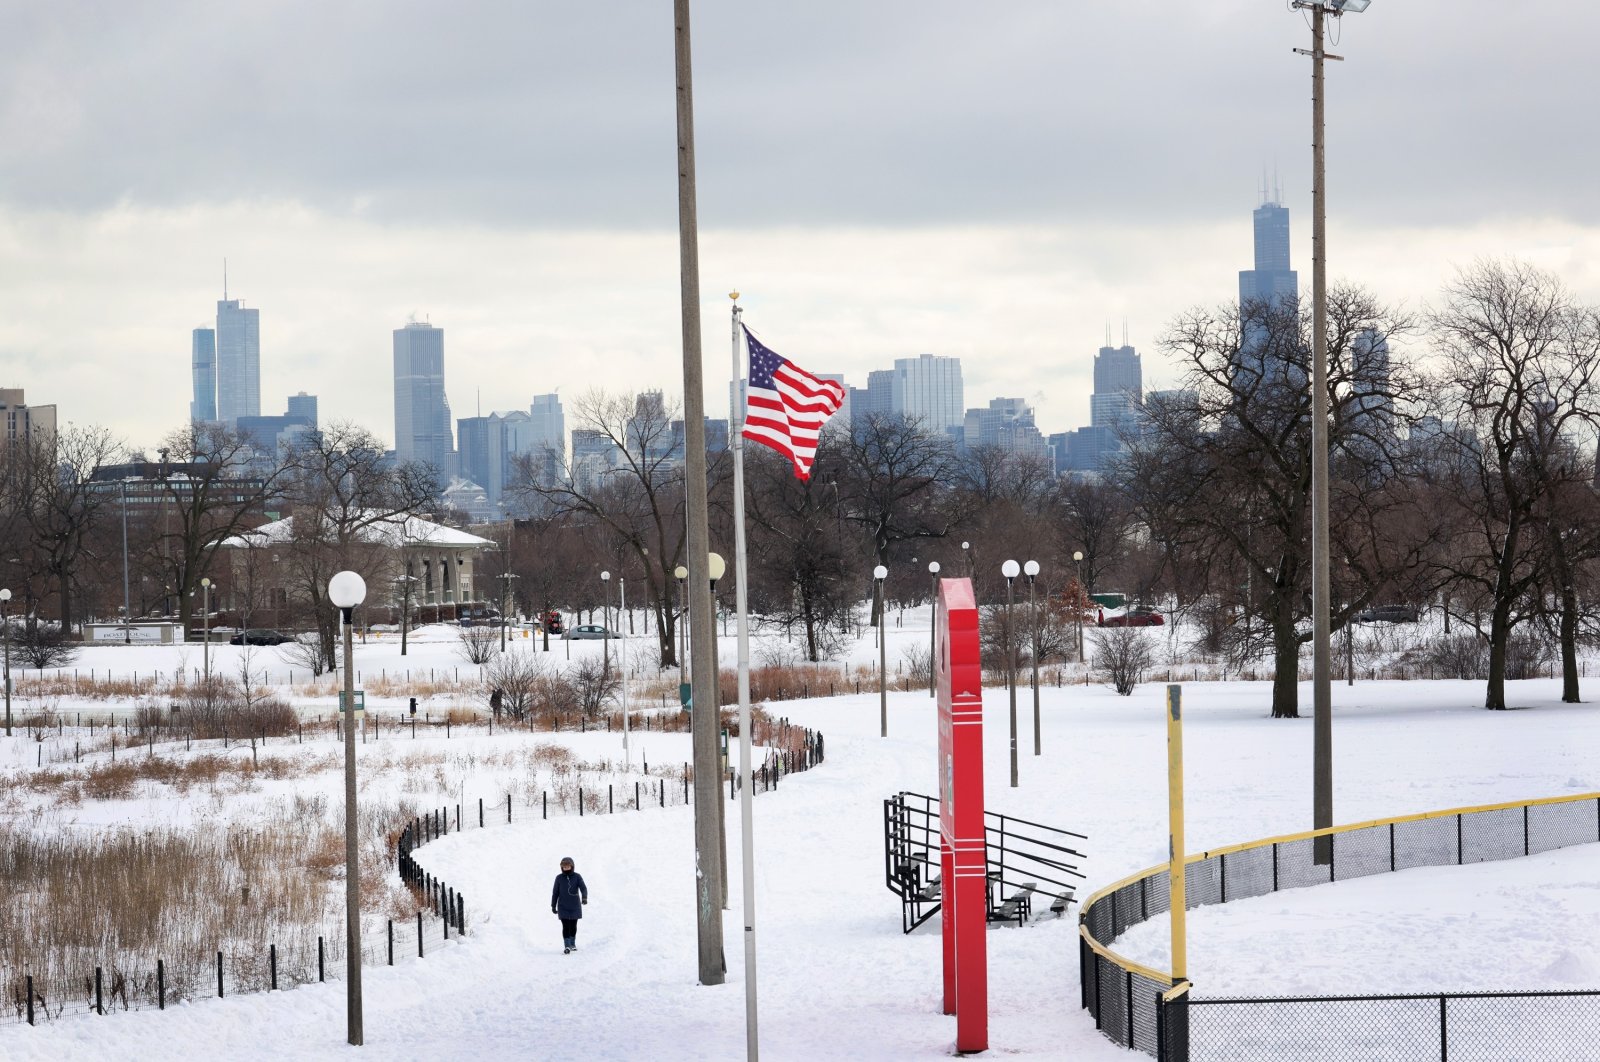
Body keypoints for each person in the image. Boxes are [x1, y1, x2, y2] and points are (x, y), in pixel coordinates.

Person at [551, 856, 588, 954]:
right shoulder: (558, 878)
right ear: (562, 867)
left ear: (572, 866)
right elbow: (555, 893)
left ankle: (572, 943)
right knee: (565, 926)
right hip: (563, 906)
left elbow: (583, 888)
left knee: (573, 925)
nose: (566, 868)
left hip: (575, 906)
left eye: (568, 866)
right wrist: (553, 905)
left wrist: (584, 897)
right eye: (564, 866)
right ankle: (567, 946)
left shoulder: (577, 876)